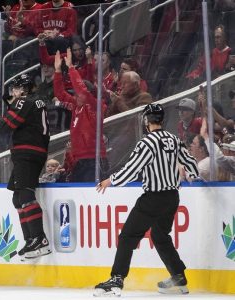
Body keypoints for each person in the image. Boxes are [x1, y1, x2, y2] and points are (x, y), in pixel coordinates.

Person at [94, 103, 199, 297]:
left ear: (146, 120)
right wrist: (195, 176)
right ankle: (178, 276)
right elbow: (190, 162)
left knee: (127, 236)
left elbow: (132, 169)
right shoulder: (174, 139)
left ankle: (117, 278)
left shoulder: (147, 142)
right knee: (160, 236)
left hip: (153, 197)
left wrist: (111, 180)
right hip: (172, 197)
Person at [0, 73, 52, 259]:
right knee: (18, 198)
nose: (14, 93)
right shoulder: (36, 102)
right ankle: (30, 240)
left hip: (28, 152)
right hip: (31, 152)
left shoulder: (24, 101)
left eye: (16, 88)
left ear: (24, 89)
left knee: (25, 194)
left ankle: (39, 238)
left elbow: (4, 127)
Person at [53, 49, 108, 182]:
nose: (75, 96)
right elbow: (60, 94)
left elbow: (81, 90)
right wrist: (58, 71)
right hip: (78, 159)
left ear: (88, 93)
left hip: (94, 159)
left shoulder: (96, 106)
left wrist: (71, 67)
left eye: (77, 94)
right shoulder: (76, 106)